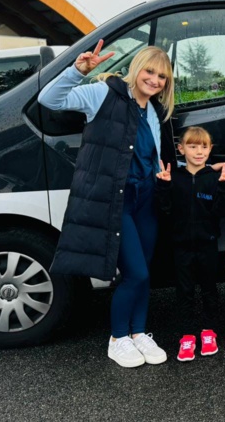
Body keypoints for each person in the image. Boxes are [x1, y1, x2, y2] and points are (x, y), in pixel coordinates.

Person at [38, 40, 177, 368]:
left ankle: (139, 332)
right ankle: (118, 338)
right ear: (136, 68)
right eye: (149, 70)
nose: (154, 80)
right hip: (117, 200)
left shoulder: (155, 110)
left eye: (162, 76)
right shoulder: (104, 94)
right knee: (135, 273)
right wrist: (77, 71)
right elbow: (50, 99)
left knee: (146, 271)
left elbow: (154, 152)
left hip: (147, 198)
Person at [156, 127, 225, 361]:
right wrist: (164, 187)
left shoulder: (213, 177)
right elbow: (164, 210)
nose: (198, 151)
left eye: (203, 146)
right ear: (181, 149)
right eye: (192, 146)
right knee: (184, 292)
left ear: (210, 149)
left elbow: (221, 211)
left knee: (210, 289)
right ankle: (187, 336)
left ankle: (209, 332)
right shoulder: (174, 177)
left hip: (207, 244)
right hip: (180, 246)